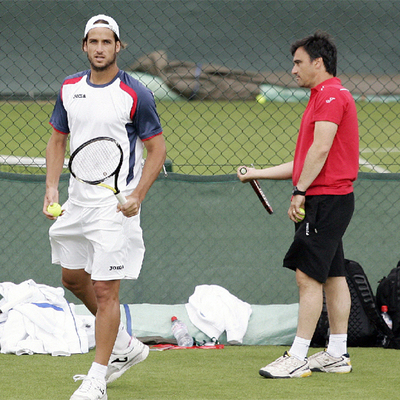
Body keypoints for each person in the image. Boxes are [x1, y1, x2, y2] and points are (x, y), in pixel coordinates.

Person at [43, 14, 166, 399]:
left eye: (106, 42)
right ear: (84, 46)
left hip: (115, 208)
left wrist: (137, 196)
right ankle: (126, 345)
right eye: (93, 42)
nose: (99, 48)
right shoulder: (68, 89)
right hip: (77, 202)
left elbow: (156, 149)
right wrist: (51, 188)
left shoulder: (136, 93)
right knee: (72, 279)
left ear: (118, 46)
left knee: (105, 288)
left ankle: (98, 378)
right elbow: (57, 140)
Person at [238, 31, 359, 379]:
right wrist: (257, 172)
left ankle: (297, 356)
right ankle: (337, 353)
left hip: (326, 200)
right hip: (328, 198)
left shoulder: (332, 96)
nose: (293, 70)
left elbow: (319, 151)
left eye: (298, 62)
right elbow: (307, 159)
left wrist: (299, 191)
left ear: (317, 63)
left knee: (308, 278)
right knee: (334, 276)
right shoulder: (321, 96)